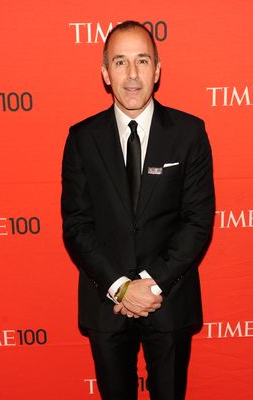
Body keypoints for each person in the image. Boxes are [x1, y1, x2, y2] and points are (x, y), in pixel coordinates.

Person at [61, 20, 215, 400]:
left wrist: (149, 284)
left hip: (169, 298)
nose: (132, 74)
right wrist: (122, 288)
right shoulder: (82, 138)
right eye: (120, 62)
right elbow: (77, 225)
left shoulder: (189, 133)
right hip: (106, 304)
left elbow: (197, 221)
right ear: (105, 73)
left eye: (142, 61)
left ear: (158, 70)